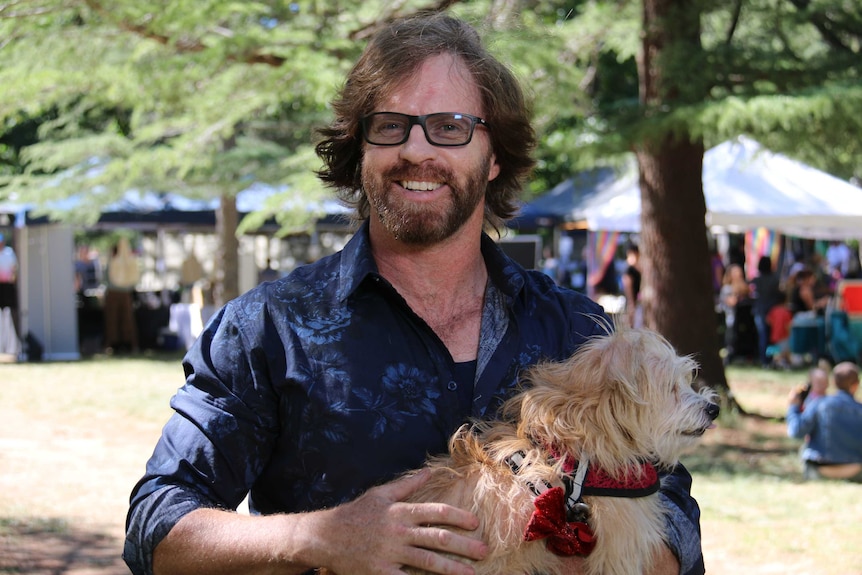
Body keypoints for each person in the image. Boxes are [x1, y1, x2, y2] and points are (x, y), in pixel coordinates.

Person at [124, 14, 705, 575]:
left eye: (450, 126)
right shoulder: (269, 330)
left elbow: (676, 528)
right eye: (390, 125)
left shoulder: (581, 335)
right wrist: (321, 538)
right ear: (361, 149)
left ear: (495, 154)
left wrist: (574, 555)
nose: (417, 151)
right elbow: (157, 530)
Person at [787, 362, 862, 482]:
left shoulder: (818, 403)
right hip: (855, 472)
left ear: (833, 382)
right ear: (856, 385)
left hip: (819, 471)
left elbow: (796, 431)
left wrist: (793, 407)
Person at [104, 237, 140, 353]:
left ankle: (131, 344)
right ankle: (112, 344)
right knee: (113, 320)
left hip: (124, 293)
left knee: (127, 320)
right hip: (115, 293)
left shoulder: (128, 263)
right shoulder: (113, 263)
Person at [749, 255, 784, 368]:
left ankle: (764, 361)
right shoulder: (775, 279)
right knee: (773, 337)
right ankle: (773, 359)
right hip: (772, 312)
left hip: (760, 311)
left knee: (763, 336)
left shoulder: (756, 280)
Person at [718, 263, 750, 362]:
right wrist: (737, 293)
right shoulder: (727, 288)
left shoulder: (745, 287)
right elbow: (731, 302)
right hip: (730, 318)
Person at [0, 232, 20, 345]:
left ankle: (12, 342)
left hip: (8, 286)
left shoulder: (9, 252)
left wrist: (13, 279)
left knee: (10, 311)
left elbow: (14, 269)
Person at [621, 243, 642, 328]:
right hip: (632, 303)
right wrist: (631, 304)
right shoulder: (629, 270)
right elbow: (628, 286)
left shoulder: (636, 268)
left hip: (636, 302)